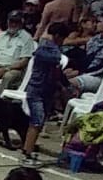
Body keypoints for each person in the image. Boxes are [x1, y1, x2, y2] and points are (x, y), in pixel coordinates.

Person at [19, 22, 69, 166]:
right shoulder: (44, 48)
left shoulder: (53, 48)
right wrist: (52, 44)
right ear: (57, 36)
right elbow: (56, 58)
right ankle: (26, 153)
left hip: (47, 91)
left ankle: (29, 150)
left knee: (39, 122)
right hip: (36, 90)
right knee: (37, 121)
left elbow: (57, 70)